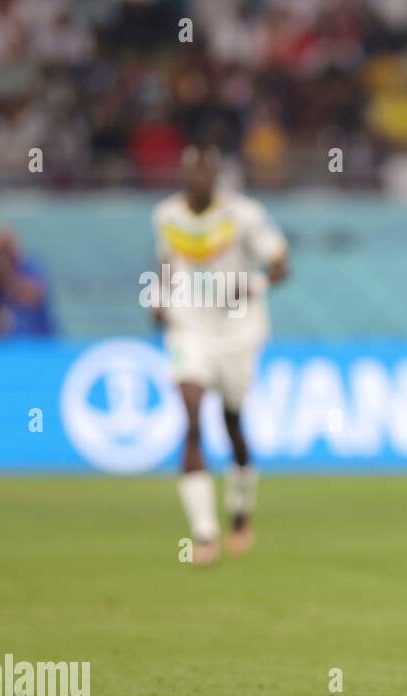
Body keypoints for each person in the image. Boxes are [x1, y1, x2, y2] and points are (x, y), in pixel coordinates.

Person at [151, 145, 289, 566]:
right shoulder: (165, 216)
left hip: (239, 332)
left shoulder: (244, 216)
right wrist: (156, 300)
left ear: (217, 178)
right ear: (184, 176)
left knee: (233, 422)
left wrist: (253, 287)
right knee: (191, 416)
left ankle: (241, 512)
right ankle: (204, 533)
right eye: (193, 173)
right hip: (189, 327)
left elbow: (281, 264)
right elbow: (165, 266)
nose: (200, 182)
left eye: (207, 174)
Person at [0, 225, 55, 339]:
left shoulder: (30, 267)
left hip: (40, 342)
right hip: (8, 346)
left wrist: (4, 274)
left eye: (8, 247)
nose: (6, 253)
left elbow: (33, 295)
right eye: (2, 249)